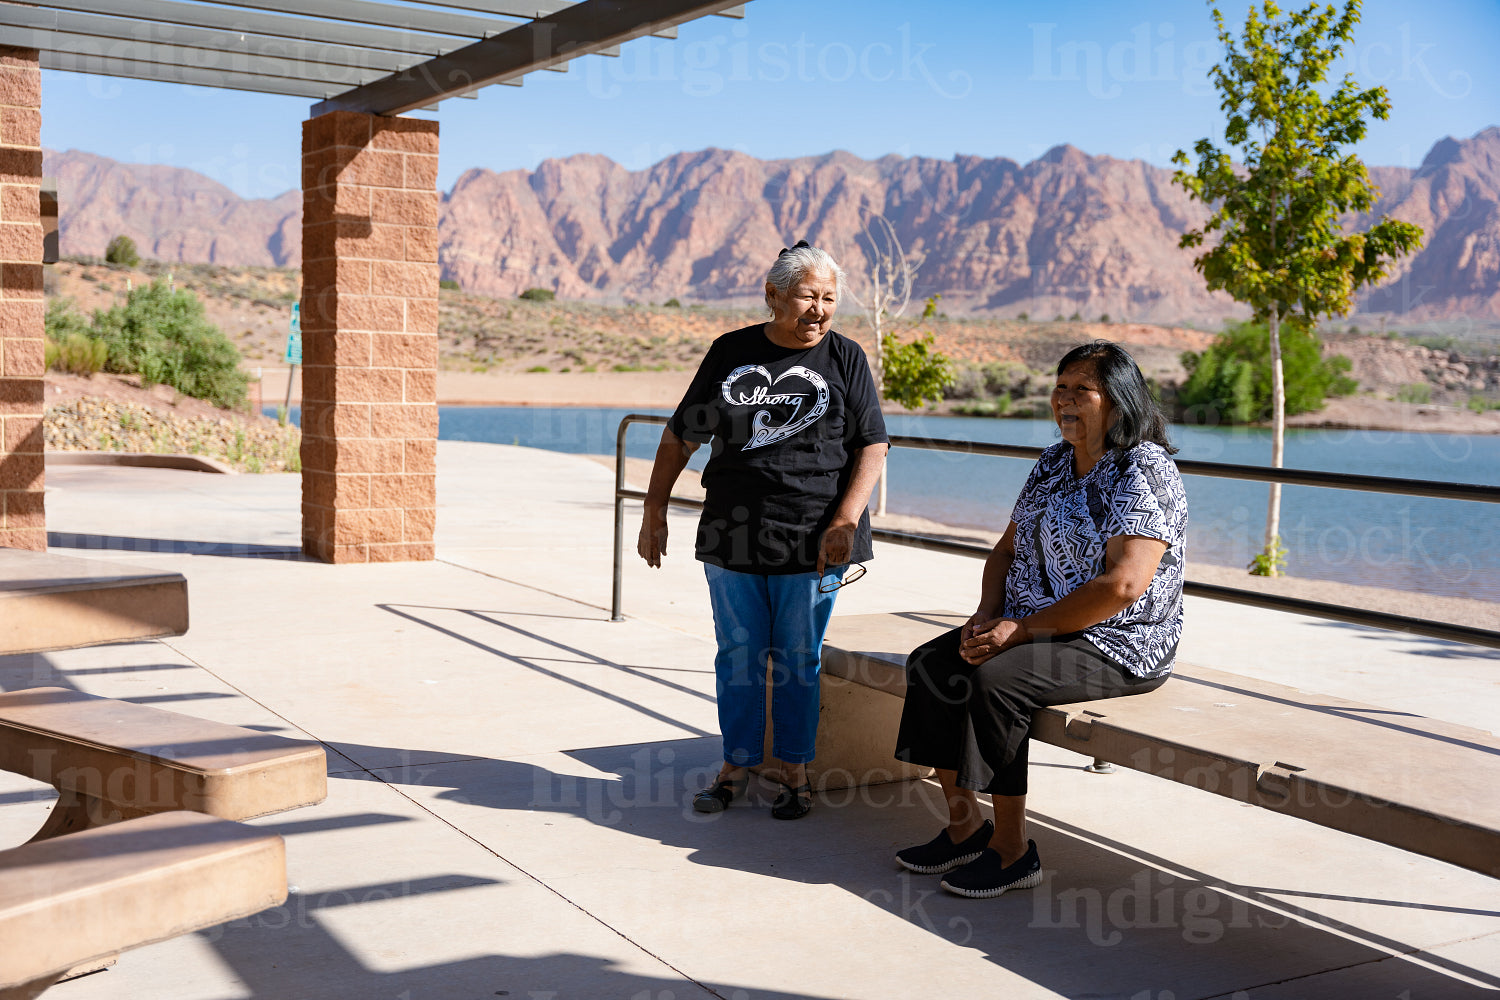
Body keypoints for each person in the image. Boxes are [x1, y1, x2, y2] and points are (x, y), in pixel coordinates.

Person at [892, 339, 1187, 896]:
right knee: (933, 663)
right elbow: (1005, 550)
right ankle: (964, 829)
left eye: (1083, 390)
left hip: (1118, 642)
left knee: (996, 682)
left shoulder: (1142, 470)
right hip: (1030, 625)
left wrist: (1020, 630)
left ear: (1119, 401)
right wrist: (986, 616)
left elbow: (1123, 585)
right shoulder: (1053, 462)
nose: (1065, 400)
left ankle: (1012, 850)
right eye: (1060, 388)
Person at [638, 241, 889, 820]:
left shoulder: (846, 358)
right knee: (739, 654)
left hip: (816, 537)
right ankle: (737, 763)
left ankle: (795, 769)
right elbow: (682, 434)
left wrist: (848, 519)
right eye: (807, 296)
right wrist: (654, 508)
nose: (819, 310)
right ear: (772, 295)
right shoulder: (732, 352)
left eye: (829, 298)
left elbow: (871, 445)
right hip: (733, 532)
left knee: (800, 657)